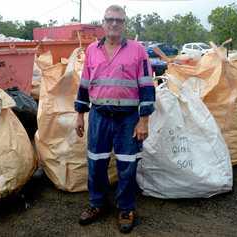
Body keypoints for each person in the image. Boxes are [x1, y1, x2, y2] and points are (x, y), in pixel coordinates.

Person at [74, 5, 155, 234]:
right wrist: (80, 114)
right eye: (110, 19)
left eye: (119, 20)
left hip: (128, 119)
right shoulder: (91, 50)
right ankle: (97, 204)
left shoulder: (138, 51)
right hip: (99, 116)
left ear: (124, 24)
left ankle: (126, 208)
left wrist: (144, 120)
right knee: (96, 163)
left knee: (127, 165)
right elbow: (84, 84)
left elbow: (147, 86)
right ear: (103, 23)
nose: (114, 24)